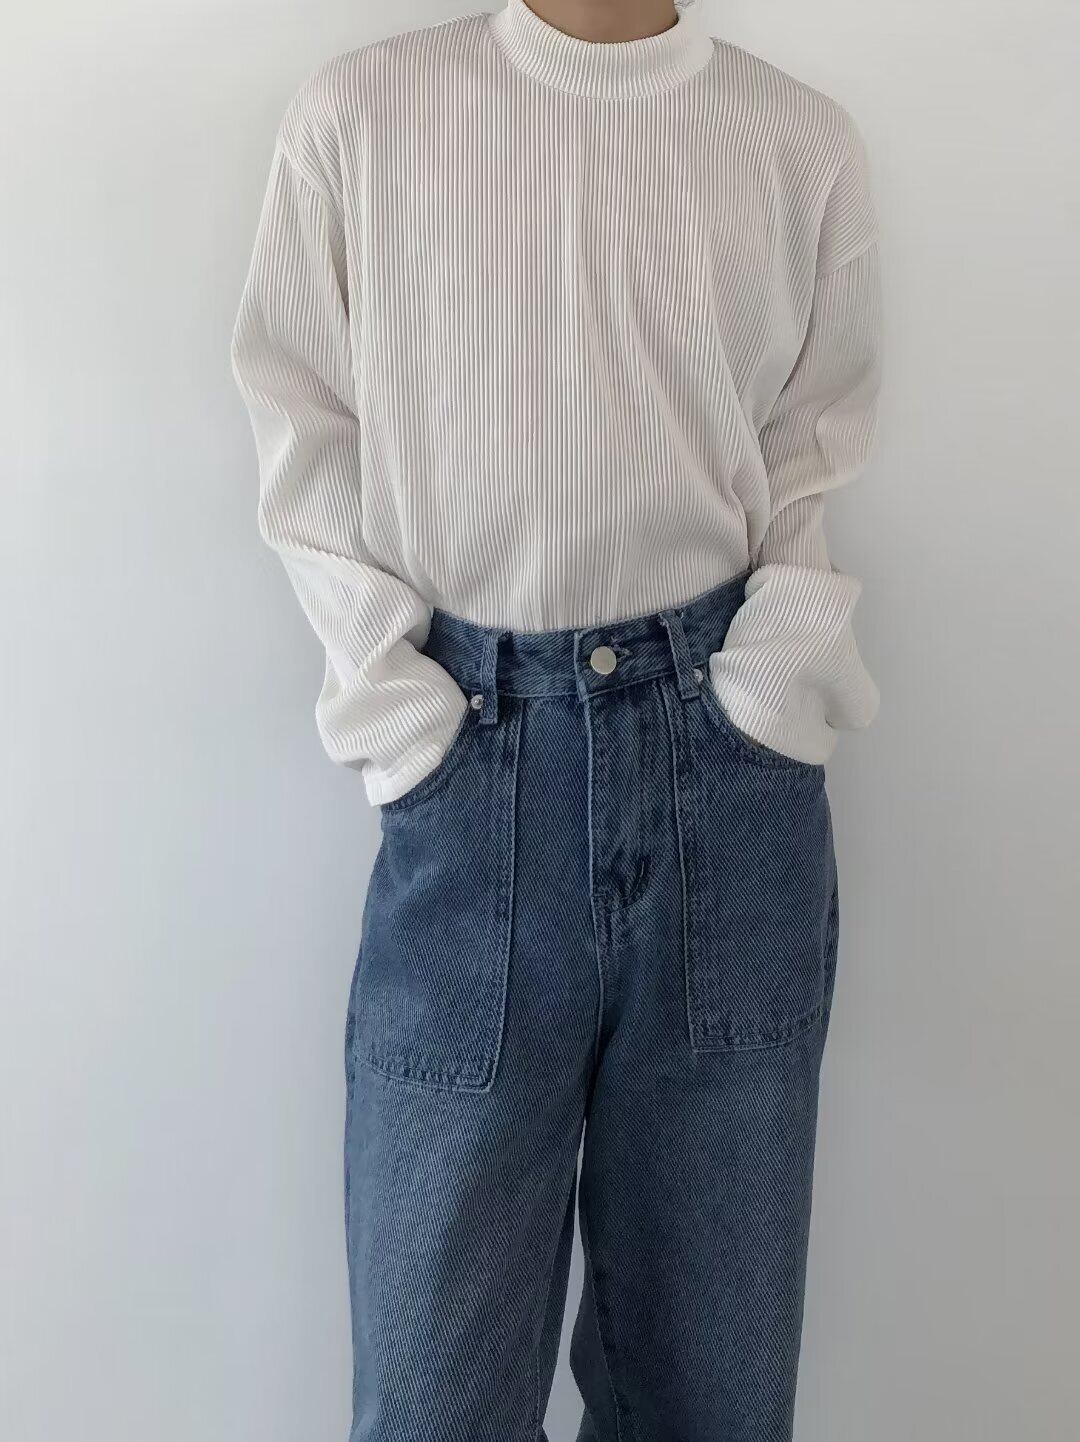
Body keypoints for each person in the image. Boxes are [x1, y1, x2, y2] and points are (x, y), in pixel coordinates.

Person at [230, 0, 882, 1436]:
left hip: (727, 784)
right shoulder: (363, 114)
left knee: (709, 1388)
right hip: (472, 773)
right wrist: (406, 717)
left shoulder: (795, 140)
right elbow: (300, 424)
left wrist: (764, 693)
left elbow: (810, 456)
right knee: (437, 1391)